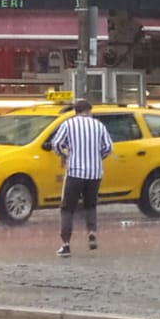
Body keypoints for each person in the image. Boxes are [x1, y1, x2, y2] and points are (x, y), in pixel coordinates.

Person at [48, 98, 113, 257]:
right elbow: (109, 147)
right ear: (89, 111)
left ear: (75, 111)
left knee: (67, 208)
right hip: (95, 173)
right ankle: (91, 232)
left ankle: (66, 244)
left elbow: (56, 143)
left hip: (75, 172)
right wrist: (98, 158)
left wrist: (63, 155)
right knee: (90, 205)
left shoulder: (68, 124)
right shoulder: (99, 125)